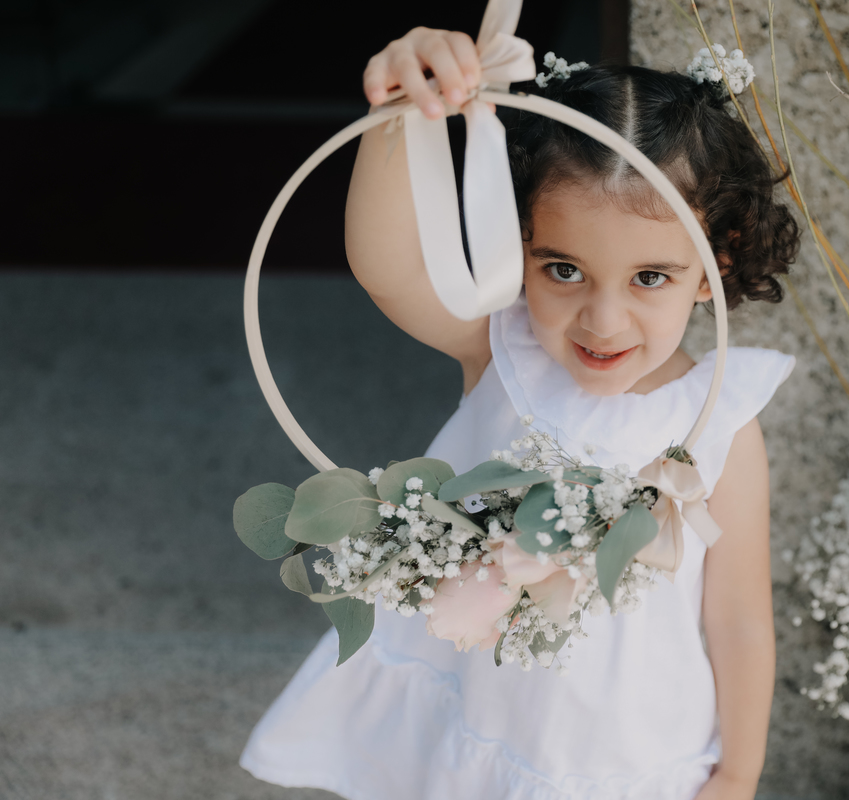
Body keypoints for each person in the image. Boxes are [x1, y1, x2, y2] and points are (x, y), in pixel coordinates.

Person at [240, 24, 800, 800]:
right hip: (481, 719)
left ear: (716, 266)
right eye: (564, 269)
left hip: (629, 751)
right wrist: (403, 112)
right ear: (519, 244)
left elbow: (738, 619)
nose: (602, 322)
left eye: (649, 278)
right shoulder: (503, 354)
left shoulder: (721, 423)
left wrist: (738, 773)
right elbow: (388, 269)